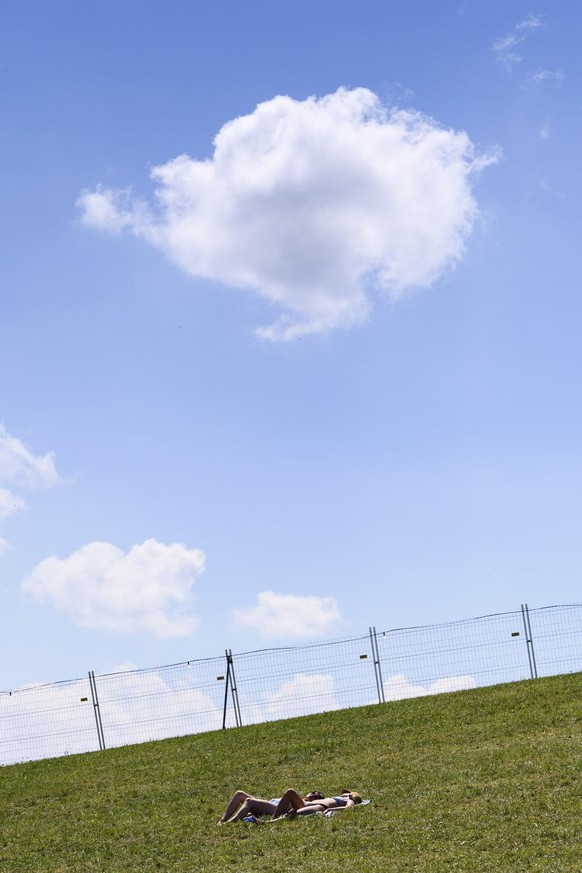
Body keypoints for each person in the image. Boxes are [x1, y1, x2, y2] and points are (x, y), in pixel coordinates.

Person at [219, 789, 324, 823]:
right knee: (239, 794)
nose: (312, 794)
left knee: (249, 801)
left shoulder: (304, 803)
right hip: (270, 805)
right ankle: (222, 821)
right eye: (313, 792)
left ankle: (231, 823)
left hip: (275, 810)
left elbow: (320, 807)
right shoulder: (299, 798)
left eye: (316, 795)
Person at [271, 789, 362, 819]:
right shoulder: (341, 798)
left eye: (345, 793)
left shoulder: (349, 800)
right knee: (290, 792)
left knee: (292, 815)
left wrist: (330, 810)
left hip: (319, 807)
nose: (343, 793)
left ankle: (270, 822)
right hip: (306, 804)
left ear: (350, 795)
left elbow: (349, 808)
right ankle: (273, 818)